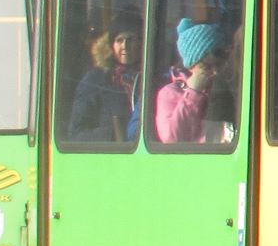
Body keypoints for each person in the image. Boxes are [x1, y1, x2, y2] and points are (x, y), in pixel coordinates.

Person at [69, 9, 143, 144]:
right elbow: (76, 135)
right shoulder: (95, 81)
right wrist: (113, 135)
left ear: (141, 43)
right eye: (119, 40)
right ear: (111, 45)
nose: (125, 46)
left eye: (130, 39)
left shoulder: (154, 80)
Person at [155, 18, 228, 147]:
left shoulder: (227, 87)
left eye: (219, 65)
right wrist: (193, 93)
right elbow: (172, 139)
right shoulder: (169, 94)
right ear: (191, 67)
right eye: (207, 67)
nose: (215, 72)